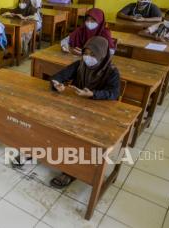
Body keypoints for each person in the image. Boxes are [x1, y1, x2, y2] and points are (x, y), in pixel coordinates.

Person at [50, 36, 120, 188]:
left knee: (79, 137)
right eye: (86, 53)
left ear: (102, 55)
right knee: (50, 122)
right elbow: (58, 76)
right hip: (76, 105)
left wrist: (93, 94)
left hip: (98, 112)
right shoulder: (80, 64)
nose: (88, 57)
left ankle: (71, 171)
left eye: (93, 54)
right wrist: (57, 84)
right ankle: (40, 150)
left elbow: (113, 94)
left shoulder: (112, 72)